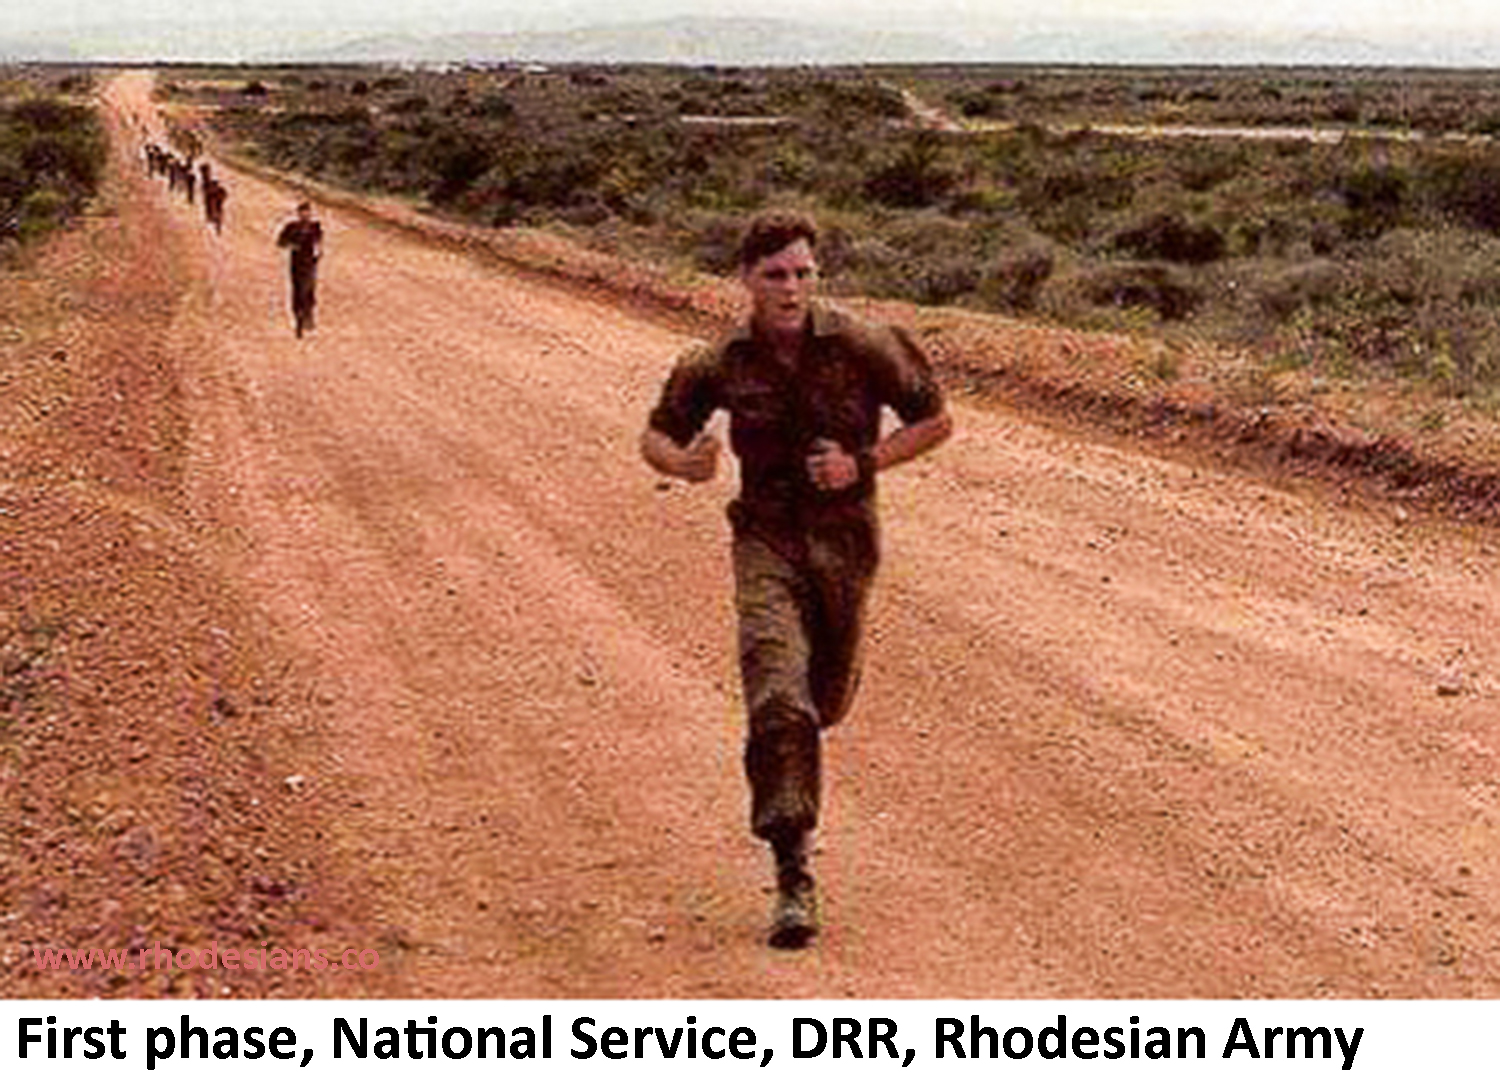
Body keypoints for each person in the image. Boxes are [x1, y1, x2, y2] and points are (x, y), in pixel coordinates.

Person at [640, 210, 953, 949]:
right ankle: (792, 871)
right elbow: (657, 434)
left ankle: (808, 735)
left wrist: (863, 464)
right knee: (779, 695)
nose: (791, 288)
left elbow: (935, 419)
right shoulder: (717, 361)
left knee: (823, 701)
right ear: (746, 279)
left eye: (803, 273)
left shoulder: (865, 343)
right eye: (775, 274)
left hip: (846, 545)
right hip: (766, 541)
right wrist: (682, 464)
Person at [276, 201, 323, 337]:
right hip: (296, 264)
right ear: (298, 213)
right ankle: (299, 320)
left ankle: (308, 317)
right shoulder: (291, 227)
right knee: (297, 291)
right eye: (302, 212)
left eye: (307, 212)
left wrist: (318, 252)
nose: (305, 215)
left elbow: (319, 243)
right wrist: (291, 245)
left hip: (310, 264)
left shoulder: (315, 227)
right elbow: (281, 242)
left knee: (309, 291)